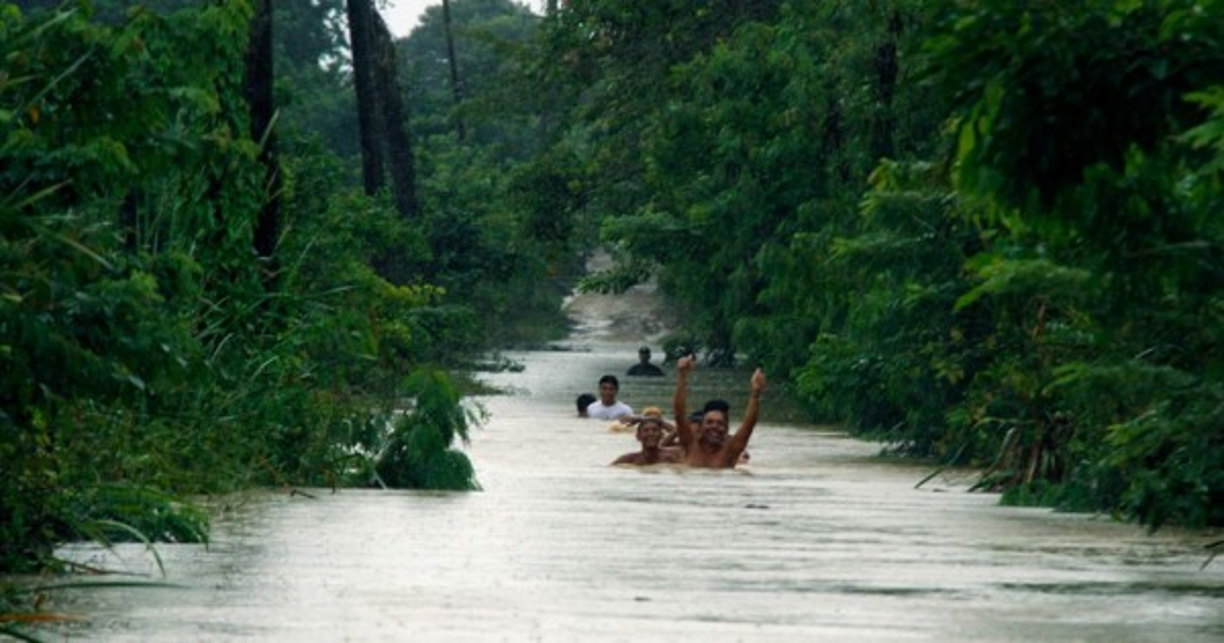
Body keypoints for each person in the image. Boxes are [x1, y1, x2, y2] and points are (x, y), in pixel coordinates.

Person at [672, 354, 765, 468]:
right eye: (710, 422)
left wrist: (755, 394)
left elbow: (749, 425)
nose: (714, 427)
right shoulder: (690, 444)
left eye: (720, 423)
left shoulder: (731, 450)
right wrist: (682, 376)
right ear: (701, 427)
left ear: (726, 429)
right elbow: (679, 415)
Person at [611, 416, 684, 465]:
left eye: (655, 430)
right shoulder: (628, 460)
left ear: (661, 435)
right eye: (646, 430)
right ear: (638, 437)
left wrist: (644, 419)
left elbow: (681, 432)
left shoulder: (671, 457)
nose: (651, 433)